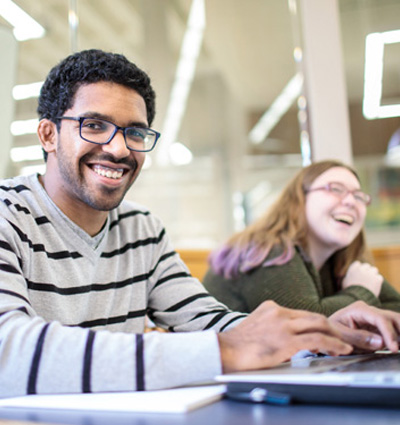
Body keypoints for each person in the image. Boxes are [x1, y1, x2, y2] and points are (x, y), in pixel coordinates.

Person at [0, 51, 399, 399]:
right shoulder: (7, 213)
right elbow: (7, 354)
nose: (119, 148)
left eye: (135, 132)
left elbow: (211, 322)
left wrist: (317, 334)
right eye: (94, 125)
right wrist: (225, 351)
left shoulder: (141, 229)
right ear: (48, 134)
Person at [203, 160, 400, 315]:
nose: (350, 201)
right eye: (335, 189)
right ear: (300, 199)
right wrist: (361, 292)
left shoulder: (340, 261)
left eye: (358, 196)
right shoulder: (270, 248)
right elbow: (306, 323)